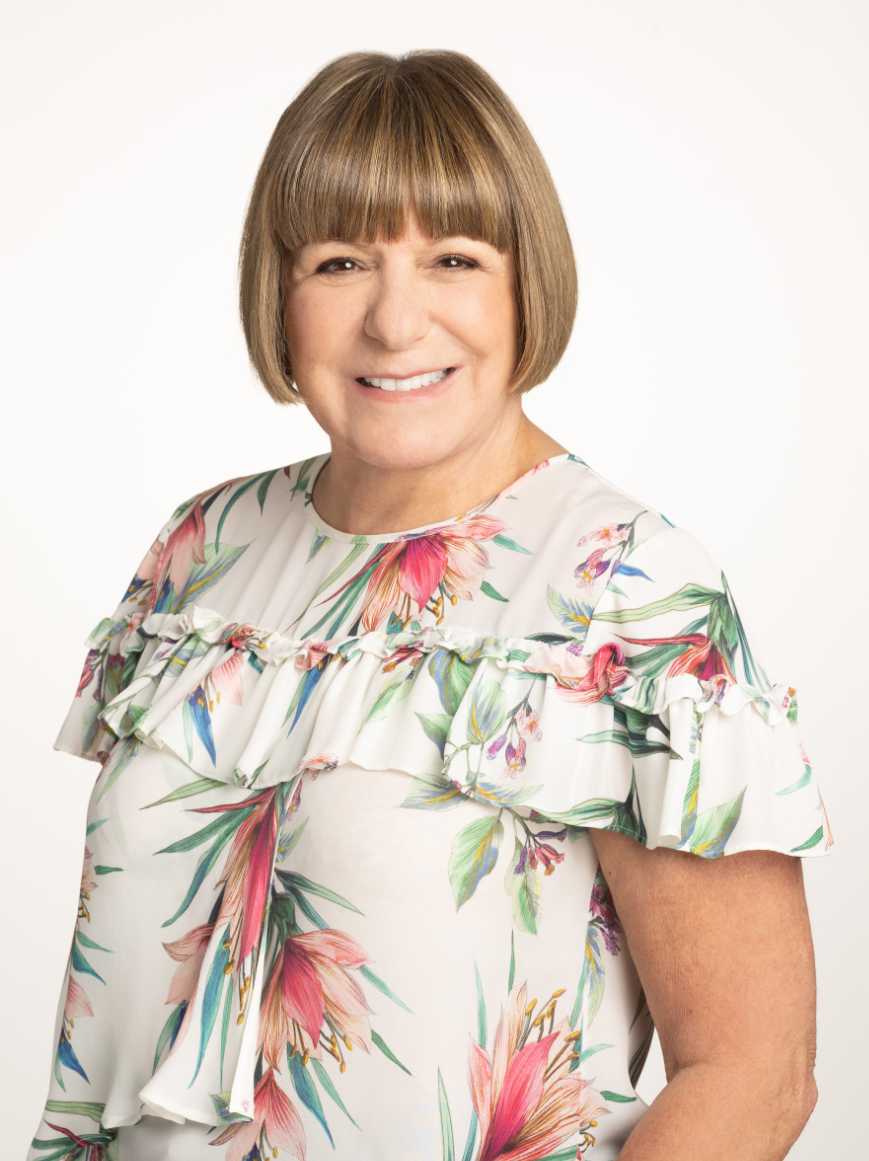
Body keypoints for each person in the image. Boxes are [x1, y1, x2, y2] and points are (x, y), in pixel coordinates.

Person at [27, 49, 833, 1161]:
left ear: (523, 281)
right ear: (280, 291)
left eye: (452, 258)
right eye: (341, 261)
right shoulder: (199, 553)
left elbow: (752, 1075)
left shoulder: (627, 591)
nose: (395, 322)